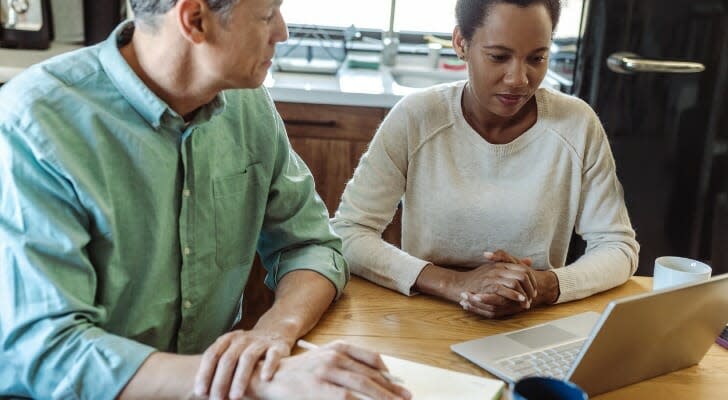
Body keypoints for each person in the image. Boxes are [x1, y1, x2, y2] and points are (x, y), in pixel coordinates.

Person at [0, 1, 410, 399]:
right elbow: (49, 349)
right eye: (267, 15)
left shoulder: (247, 103)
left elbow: (312, 245)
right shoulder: (36, 120)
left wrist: (272, 335)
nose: (282, 33)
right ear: (195, 19)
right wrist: (261, 380)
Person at [332, 0, 639, 319]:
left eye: (537, 58)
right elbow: (348, 232)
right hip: (425, 312)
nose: (519, 79)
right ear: (461, 44)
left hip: (532, 319)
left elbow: (618, 247)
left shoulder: (576, 124)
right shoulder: (418, 116)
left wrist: (543, 286)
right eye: (498, 56)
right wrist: (453, 283)